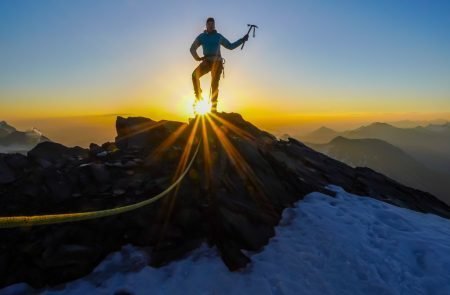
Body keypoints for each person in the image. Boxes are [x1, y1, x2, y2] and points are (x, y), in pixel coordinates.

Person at [190, 17, 249, 113]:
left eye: (212, 24)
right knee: (194, 76)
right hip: (207, 61)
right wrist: (197, 58)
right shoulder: (201, 37)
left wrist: (242, 40)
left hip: (217, 62)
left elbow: (230, 46)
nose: (211, 26)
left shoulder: (219, 36)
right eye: (209, 24)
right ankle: (198, 96)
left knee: (214, 85)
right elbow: (192, 48)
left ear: (214, 25)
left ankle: (213, 109)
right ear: (206, 25)